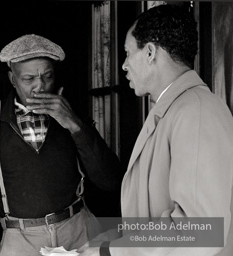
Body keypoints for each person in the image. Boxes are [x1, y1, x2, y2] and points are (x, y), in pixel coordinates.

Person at [79, 4, 233, 256]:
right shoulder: (174, 109)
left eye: (128, 53)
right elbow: (155, 214)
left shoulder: (196, 112)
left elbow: (201, 231)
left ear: (150, 52)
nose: (124, 65)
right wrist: (110, 238)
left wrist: (112, 252)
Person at [0, 34, 122, 256]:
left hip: (76, 231)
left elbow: (110, 180)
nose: (40, 87)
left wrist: (74, 124)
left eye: (47, 76)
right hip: (19, 239)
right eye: (28, 79)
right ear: (12, 79)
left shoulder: (72, 111)